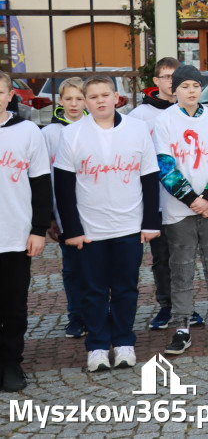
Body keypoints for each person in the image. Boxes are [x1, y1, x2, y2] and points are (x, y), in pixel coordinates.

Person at [55, 75, 161, 373]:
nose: (100, 100)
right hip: (90, 230)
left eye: (106, 94)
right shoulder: (73, 134)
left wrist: (151, 221)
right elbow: (63, 186)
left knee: (127, 288)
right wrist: (72, 230)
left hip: (129, 225)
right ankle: (98, 346)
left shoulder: (137, 129)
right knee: (93, 290)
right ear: (86, 102)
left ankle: (124, 341)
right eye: (93, 96)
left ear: (117, 97)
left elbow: (150, 178)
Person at [154, 64, 208, 354]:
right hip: (179, 211)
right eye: (185, 86)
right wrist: (193, 200)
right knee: (181, 270)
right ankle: (181, 326)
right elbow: (165, 167)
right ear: (174, 89)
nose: (191, 91)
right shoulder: (165, 121)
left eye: (195, 85)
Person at [130, 57, 202, 331]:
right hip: (157, 199)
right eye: (166, 76)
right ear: (156, 81)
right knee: (161, 257)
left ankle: (187, 306)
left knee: (184, 255)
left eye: (176, 76)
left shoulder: (192, 112)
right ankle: (166, 305)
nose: (171, 82)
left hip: (186, 198)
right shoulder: (140, 116)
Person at [0, 70, 53, 392]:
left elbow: (41, 185)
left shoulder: (28, 131)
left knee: (14, 305)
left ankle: (11, 363)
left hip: (15, 235)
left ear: (9, 95)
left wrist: (38, 229)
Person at [41, 78, 88, 339]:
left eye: (79, 99)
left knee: (97, 267)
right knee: (72, 268)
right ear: (60, 101)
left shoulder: (94, 128)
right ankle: (75, 315)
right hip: (64, 213)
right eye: (68, 99)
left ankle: (97, 313)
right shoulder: (49, 134)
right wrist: (49, 216)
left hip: (94, 212)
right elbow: (43, 175)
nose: (74, 104)